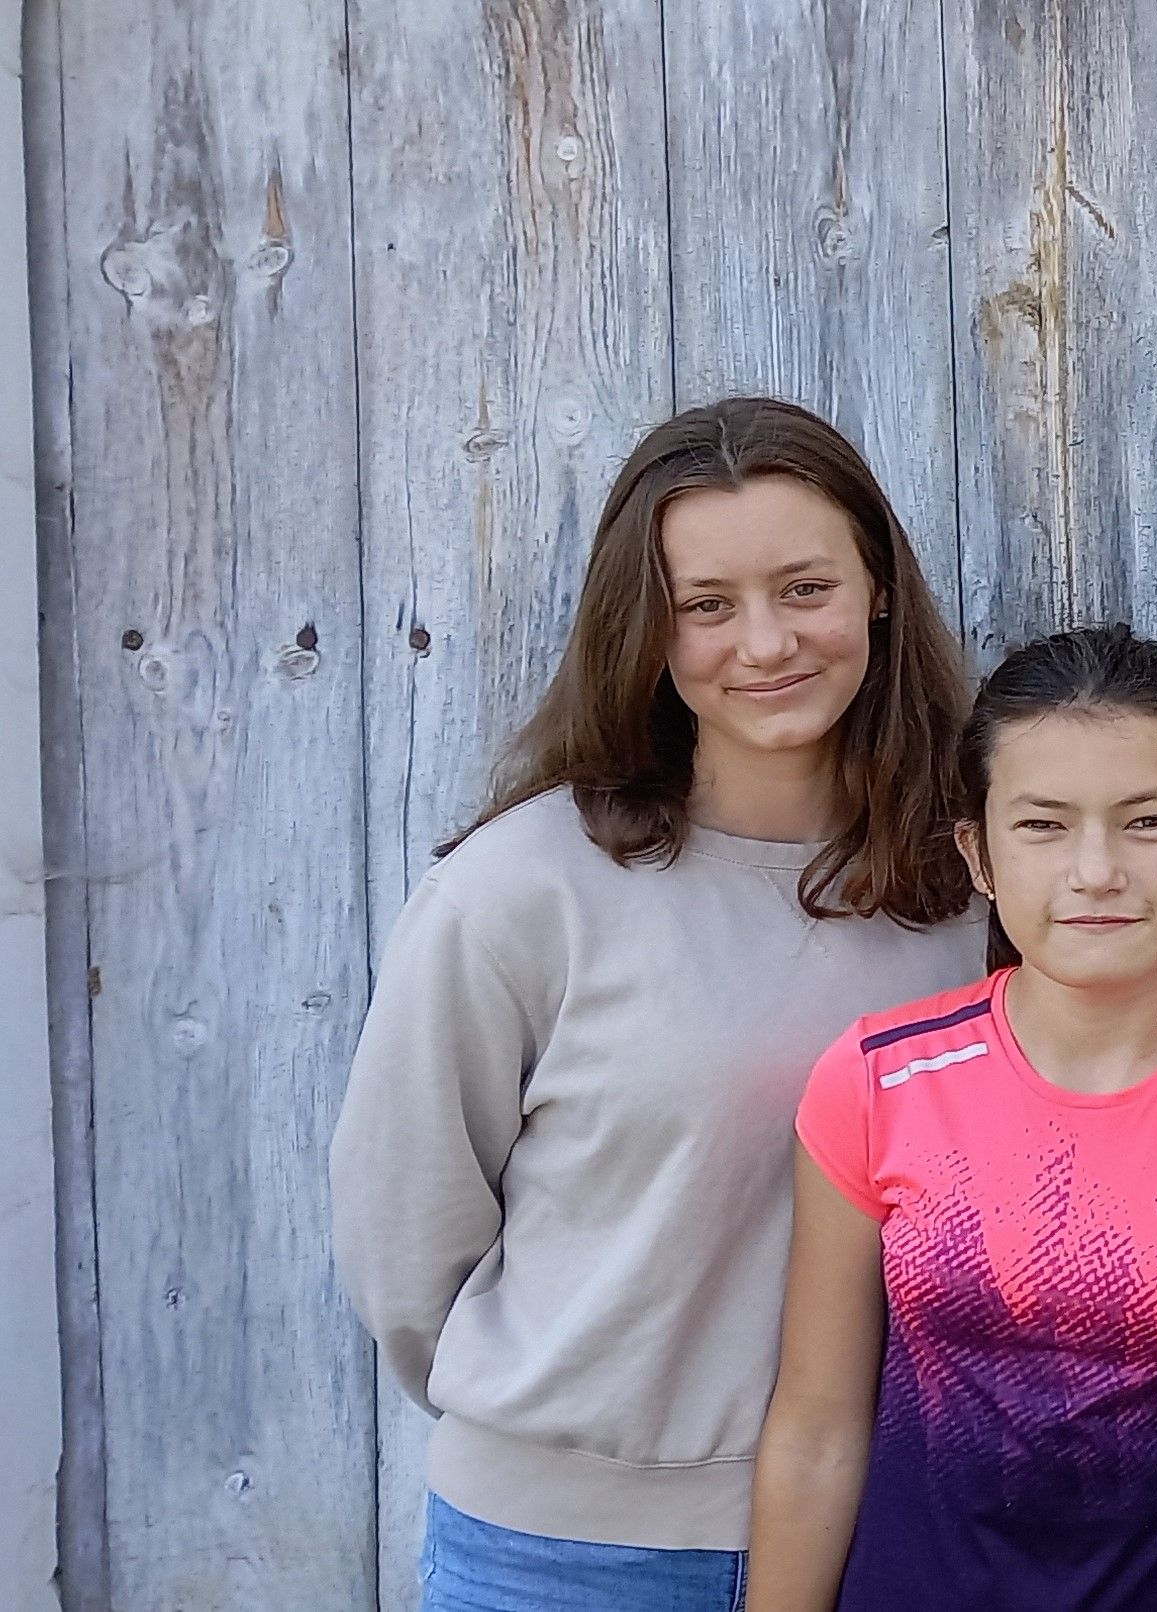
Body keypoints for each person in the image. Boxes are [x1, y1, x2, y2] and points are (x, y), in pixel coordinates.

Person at [330, 397, 986, 1611]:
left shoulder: (976, 886)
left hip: (890, 1533)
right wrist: (572, 1432)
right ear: (646, 626)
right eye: (707, 605)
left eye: (805, 588)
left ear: (880, 591)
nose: (767, 642)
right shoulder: (522, 890)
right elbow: (405, 1233)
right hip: (562, 1555)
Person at [745, 625, 1157, 1612]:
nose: (1096, 871)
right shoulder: (881, 1081)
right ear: (978, 852)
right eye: (1044, 826)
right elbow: (817, 1425)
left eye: (1147, 822)